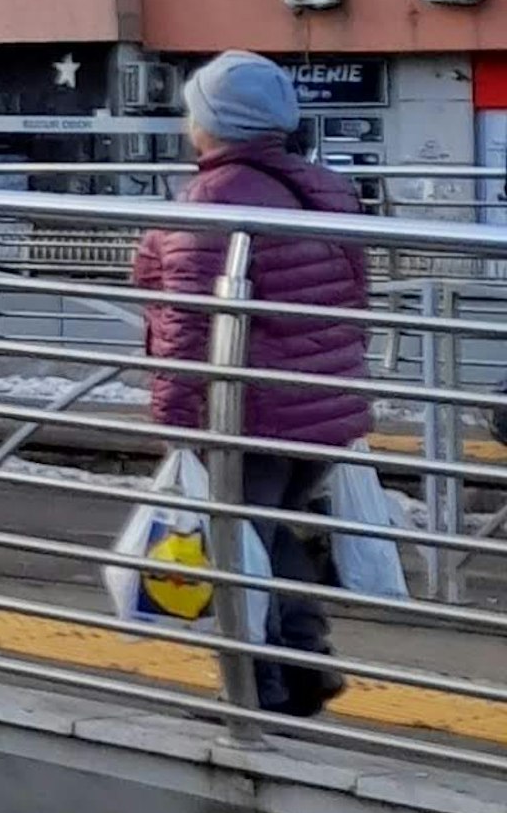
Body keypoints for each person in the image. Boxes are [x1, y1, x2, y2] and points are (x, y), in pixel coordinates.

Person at [131, 49, 376, 720]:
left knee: (233, 550)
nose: (188, 125)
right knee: (268, 536)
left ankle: (255, 694)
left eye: (193, 113)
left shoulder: (210, 198)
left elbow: (187, 320)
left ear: (215, 124)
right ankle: (304, 665)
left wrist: (180, 419)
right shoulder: (323, 186)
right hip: (318, 406)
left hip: (245, 408)